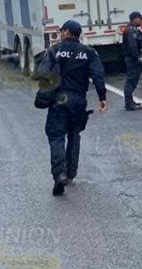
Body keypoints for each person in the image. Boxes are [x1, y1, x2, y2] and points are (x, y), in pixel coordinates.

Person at [37, 20, 108, 196]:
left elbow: (42, 73)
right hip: (78, 99)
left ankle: (58, 174)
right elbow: (98, 75)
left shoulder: (54, 50)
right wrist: (102, 97)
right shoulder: (89, 52)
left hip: (59, 98)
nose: (61, 33)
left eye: (62, 30)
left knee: (56, 136)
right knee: (74, 134)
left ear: (67, 32)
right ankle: (70, 173)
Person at [122, 11, 142, 110]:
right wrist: (138, 57)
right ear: (134, 19)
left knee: (133, 80)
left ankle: (130, 101)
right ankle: (128, 103)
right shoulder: (131, 30)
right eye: (139, 18)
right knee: (131, 80)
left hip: (132, 58)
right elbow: (132, 46)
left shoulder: (134, 29)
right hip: (132, 59)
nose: (141, 20)